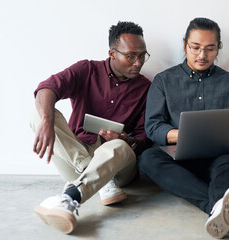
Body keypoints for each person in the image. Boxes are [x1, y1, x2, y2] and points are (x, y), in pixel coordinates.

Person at [138, 17, 229, 239]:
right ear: (184, 43)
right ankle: (224, 205)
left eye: (209, 49)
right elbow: (153, 127)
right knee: (147, 159)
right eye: (195, 48)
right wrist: (182, 135)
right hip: (179, 161)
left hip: (219, 160)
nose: (202, 55)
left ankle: (216, 208)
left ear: (218, 48)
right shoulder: (164, 81)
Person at [30, 21, 151, 234]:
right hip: (77, 157)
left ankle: (72, 196)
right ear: (112, 53)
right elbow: (47, 88)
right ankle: (94, 177)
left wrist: (126, 139)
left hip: (118, 168)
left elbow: (144, 137)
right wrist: (48, 121)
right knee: (38, 115)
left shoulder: (145, 87)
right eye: (131, 56)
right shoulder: (86, 69)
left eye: (142, 56)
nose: (138, 62)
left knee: (117, 147)